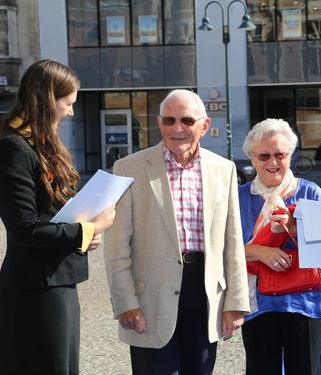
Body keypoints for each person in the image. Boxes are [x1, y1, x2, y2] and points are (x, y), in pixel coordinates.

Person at [103, 89, 250, 375]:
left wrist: (236, 302)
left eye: (186, 120)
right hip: (150, 301)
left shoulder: (224, 170)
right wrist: (125, 303)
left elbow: (233, 242)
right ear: (159, 123)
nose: (177, 129)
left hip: (206, 295)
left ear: (204, 126)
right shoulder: (127, 168)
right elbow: (116, 248)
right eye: (169, 120)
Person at [0, 59, 116, 375]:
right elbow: (24, 229)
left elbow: (48, 212)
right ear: (48, 99)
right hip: (35, 289)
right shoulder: (14, 148)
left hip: (55, 281)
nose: (71, 113)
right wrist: (87, 230)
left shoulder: (37, 145)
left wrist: (84, 223)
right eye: (68, 104)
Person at [239, 118, 321, 375]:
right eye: (264, 155)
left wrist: (294, 228)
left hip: (306, 302)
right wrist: (260, 251)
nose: (272, 162)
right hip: (257, 304)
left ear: (291, 154)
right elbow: (222, 249)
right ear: (251, 157)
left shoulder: (311, 193)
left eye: (280, 154)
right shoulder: (238, 197)